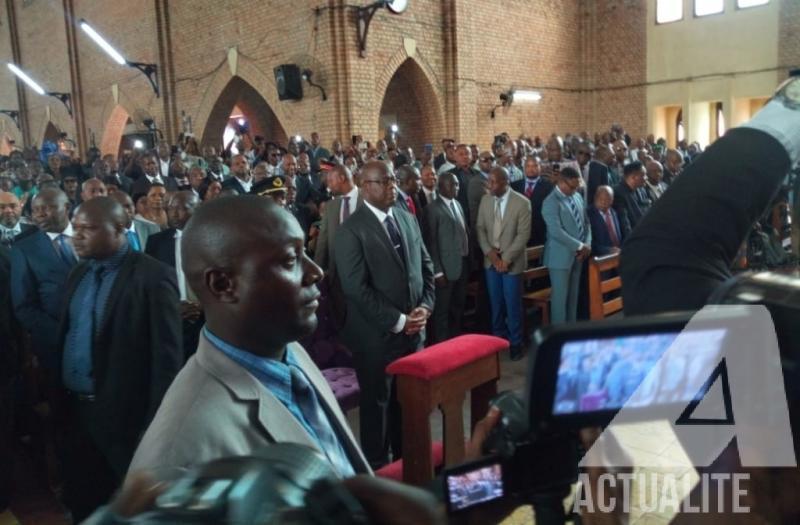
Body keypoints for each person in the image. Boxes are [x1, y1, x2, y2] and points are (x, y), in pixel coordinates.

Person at [129, 196, 370, 477]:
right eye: (291, 260)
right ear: (223, 284)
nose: (315, 272)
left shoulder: (287, 349)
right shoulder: (180, 458)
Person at [57, 197, 182, 520]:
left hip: (125, 416)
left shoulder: (153, 277)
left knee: (134, 508)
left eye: (89, 228)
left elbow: (166, 361)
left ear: (121, 229)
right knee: (84, 497)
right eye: (75, 228)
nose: (77, 236)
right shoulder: (78, 274)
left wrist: (155, 427)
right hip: (77, 411)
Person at [334, 160, 435, 468]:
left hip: (414, 332)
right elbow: (355, 288)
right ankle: (378, 470)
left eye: (393, 180)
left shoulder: (406, 219)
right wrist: (400, 321)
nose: (393, 186)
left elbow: (426, 270)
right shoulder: (350, 231)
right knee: (378, 406)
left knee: (409, 403)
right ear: (366, 187)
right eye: (384, 182)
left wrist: (425, 307)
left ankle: (410, 462)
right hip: (376, 336)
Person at [10, 188, 78, 369]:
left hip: (101, 335)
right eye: (35, 209)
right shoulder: (24, 249)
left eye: (47, 208)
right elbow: (24, 306)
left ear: (67, 207)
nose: (40, 214)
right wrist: (63, 334)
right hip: (55, 343)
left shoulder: (88, 235)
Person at [476, 167, 531, 359]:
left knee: (513, 304)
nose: (489, 185)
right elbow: (480, 228)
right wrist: (491, 254)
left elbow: (523, 235)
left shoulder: (522, 203)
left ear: (506, 182)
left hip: (511, 263)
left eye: (493, 182)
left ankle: (516, 343)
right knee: (496, 303)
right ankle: (498, 341)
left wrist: (505, 259)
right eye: (488, 181)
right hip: (491, 261)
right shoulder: (485, 200)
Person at [145, 191, 203, 360]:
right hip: (170, 320)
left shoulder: (211, 238)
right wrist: (173, 307)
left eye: (181, 208)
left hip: (207, 321)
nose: (174, 213)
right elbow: (150, 284)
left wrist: (202, 307)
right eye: (171, 208)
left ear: (197, 209)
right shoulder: (156, 242)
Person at [423, 172, 470, 343]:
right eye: (452, 185)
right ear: (441, 187)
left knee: (458, 307)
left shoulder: (457, 204)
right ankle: (442, 344)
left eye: (457, 184)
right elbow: (431, 243)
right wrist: (437, 272)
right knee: (442, 310)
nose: (456, 188)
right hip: (444, 269)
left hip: (461, 264)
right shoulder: (432, 209)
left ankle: (455, 341)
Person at [542, 167, 591, 324]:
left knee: (573, 298)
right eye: (572, 186)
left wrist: (587, 244)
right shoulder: (550, 202)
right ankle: (559, 336)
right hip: (560, 257)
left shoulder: (576, 196)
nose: (575, 189)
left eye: (577, 186)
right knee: (560, 301)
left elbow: (586, 223)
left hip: (578, 256)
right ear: (561, 182)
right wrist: (580, 246)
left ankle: (571, 332)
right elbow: (556, 232)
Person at [314, 164, 361, 327]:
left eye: (330, 181)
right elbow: (323, 241)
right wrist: (318, 271)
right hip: (338, 274)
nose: (328, 185)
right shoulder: (331, 206)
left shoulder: (368, 198)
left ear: (342, 178)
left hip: (365, 272)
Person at [511, 156, 553, 247]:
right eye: (528, 166)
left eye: (534, 166)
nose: (531, 169)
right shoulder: (514, 186)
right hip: (518, 233)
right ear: (524, 168)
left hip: (539, 233)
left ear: (540, 167)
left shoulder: (549, 187)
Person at [612, 161, 651, 238]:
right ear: (633, 177)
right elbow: (625, 225)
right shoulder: (618, 193)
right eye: (644, 175)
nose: (646, 178)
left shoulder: (638, 189)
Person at [588, 185, 622, 256]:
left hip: (619, 255)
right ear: (595, 198)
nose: (603, 202)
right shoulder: (588, 214)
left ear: (612, 200)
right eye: (600, 199)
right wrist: (608, 250)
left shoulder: (614, 212)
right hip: (600, 258)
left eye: (607, 199)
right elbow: (589, 242)